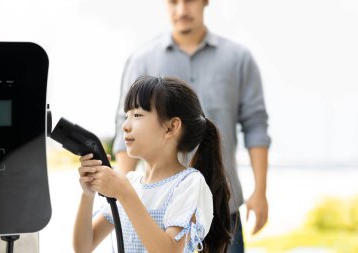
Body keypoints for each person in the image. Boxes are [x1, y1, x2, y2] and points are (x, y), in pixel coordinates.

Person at [113, 0, 271, 252]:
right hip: (158, 211)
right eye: (173, 2)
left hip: (223, 206)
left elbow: (256, 125)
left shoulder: (238, 59)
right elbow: (124, 130)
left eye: (189, 1)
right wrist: (120, 191)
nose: (181, 9)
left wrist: (260, 191)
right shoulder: (142, 61)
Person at [73, 76, 232, 253]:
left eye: (137, 115)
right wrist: (88, 194)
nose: (125, 125)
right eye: (127, 116)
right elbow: (83, 247)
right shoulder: (131, 182)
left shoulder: (188, 184)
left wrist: (125, 194)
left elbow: (170, 250)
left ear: (171, 127)